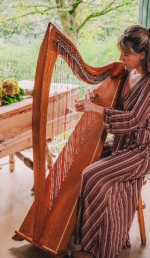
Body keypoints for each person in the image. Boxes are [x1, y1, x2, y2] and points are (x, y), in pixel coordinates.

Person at [72, 24, 150, 258]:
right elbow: (115, 101)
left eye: (126, 54)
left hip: (141, 151)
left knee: (92, 175)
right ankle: (91, 235)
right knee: (81, 159)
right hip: (122, 144)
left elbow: (134, 120)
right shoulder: (127, 73)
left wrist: (96, 109)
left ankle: (96, 245)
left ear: (142, 55)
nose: (121, 58)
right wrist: (95, 97)